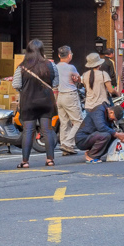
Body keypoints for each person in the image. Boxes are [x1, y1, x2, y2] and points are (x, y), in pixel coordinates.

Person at [13, 39, 58, 168]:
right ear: (42, 50)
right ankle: (50, 160)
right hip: (46, 102)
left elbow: (16, 84)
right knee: (47, 130)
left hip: (28, 103)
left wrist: (26, 89)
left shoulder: (22, 67)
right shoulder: (51, 65)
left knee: (28, 131)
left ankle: (25, 162)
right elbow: (55, 84)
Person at [55, 45, 83, 156]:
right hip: (70, 95)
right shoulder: (71, 67)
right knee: (78, 121)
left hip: (60, 96)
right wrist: (77, 80)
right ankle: (67, 143)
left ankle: (66, 145)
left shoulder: (55, 67)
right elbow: (79, 79)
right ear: (69, 55)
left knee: (64, 122)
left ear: (58, 55)